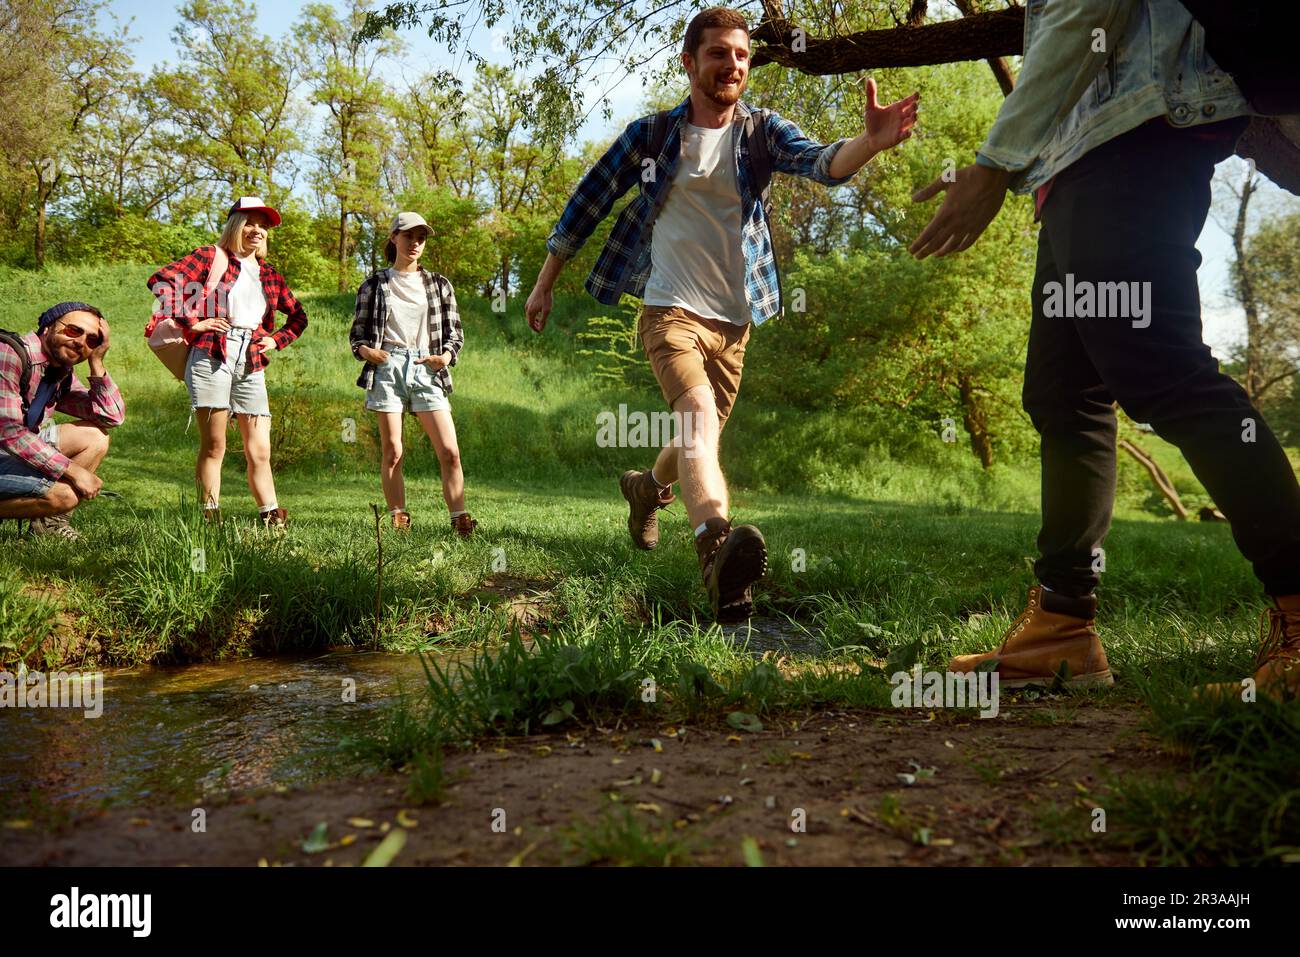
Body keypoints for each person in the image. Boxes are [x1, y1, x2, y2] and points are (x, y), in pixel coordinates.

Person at [909, 0, 1300, 698]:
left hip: (1139, 129)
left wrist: (993, 163)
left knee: (1163, 371)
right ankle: (1062, 626)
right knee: (1064, 395)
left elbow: (1087, 13)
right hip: (1077, 157)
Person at [525, 6, 918, 621]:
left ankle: (645, 490)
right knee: (698, 417)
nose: (731, 63)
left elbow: (820, 162)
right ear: (690, 63)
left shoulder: (760, 133)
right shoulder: (651, 137)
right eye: (717, 53)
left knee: (694, 435)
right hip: (669, 310)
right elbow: (587, 203)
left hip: (736, 324)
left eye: (740, 54)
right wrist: (545, 283)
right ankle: (714, 553)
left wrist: (869, 141)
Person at [148, 196, 308, 527]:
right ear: (235, 225)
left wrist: (275, 340)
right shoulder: (212, 257)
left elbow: (298, 316)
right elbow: (162, 281)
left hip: (251, 360)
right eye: (250, 222)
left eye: (263, 226)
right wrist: (192, 320)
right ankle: (210, 518)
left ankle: (271, 520)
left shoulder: (269, 274)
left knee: (260, 449)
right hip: (211, 354)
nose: (257, 231)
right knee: (215, 444)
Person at [349, 212, 473, 536]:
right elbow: (357, 335)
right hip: (388, 367)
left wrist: (445, 356)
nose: (415, 243)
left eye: (421, 238)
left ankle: (459, 518)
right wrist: (368, 352)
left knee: (450, 450)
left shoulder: (439, 285)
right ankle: (399, 517)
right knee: (393, 450)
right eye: (408, 236)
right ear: (394, 238)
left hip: (426, 367)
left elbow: (455, 333)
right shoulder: (374, 284)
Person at [0, 302, 124, 540]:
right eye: (74, 330)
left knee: (95, 436)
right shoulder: (8, 354)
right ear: (47, 328)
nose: (81, 342)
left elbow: (110, 416)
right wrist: (73, 470)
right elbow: (9, 432)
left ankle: (48, 526)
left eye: (92, 340)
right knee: (65, 495)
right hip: (6, 446)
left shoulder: (58, 373)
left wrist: (97, 362)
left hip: (6, 455)